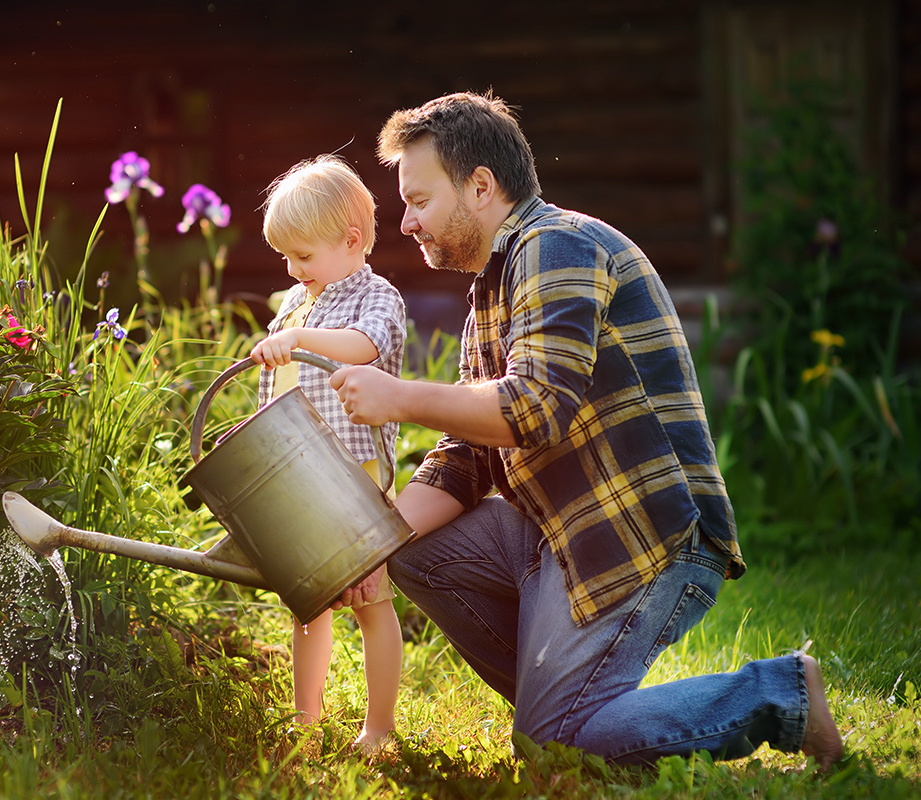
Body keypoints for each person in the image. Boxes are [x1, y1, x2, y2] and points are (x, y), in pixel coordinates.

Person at [328, 91, 845, 768]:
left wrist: (398, 398)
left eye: (419, 201)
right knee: (413, 551)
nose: (405, 222)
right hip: (559, 533)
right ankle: (582, 706)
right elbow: (469, 458)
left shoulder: (558, 245)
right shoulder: (490, 294)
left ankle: (779, 693)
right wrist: (364, 545)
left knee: (553, 748)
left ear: (480, 187)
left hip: (640, 535)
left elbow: (536, 406)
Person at [250, 154, 407, 750]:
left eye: (304, 256)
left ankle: (379, 727)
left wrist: (295, 339)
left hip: (354, 479)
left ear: (350, 240)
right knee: (308, 605)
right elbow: (280, 389)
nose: (294, 269)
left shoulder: (377, 298)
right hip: (298, 480)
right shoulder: (296, 303)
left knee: (370, 602)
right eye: (286, 258)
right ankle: (307, 718)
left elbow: (364, 348)